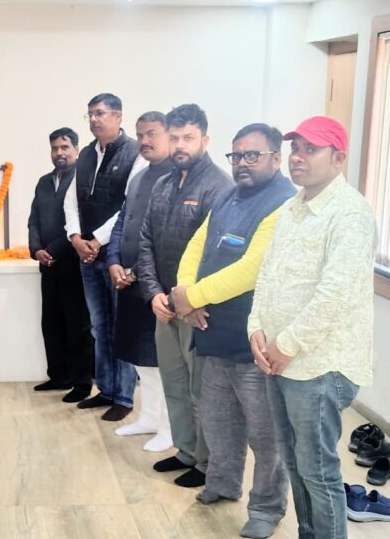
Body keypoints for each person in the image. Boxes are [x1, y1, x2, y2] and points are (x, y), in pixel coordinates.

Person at [248, 116, 377, 539]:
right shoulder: (293, 207)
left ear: (338, 159)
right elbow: (267, 275)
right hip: (279, 358)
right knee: (295, 463)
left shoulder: (351, 214)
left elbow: (334, 294)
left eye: (311, 149)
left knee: (318, 470)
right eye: (295, 148)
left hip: (318, 365)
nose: (297, 157)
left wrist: (286, 344)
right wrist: (256, 329)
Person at [172, 123, 295, 538]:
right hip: (214, 333)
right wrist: (185, 294)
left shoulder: (284, 204)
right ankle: (223, 484)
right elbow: (196, 245)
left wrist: (192, 297)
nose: (242, 163)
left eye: (252, 155)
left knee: (266, 435)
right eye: (237, 155)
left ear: (276, 158)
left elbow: (251, 269)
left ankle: (266, 509)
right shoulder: (227, 195)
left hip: (254, 343)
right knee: (217, 420)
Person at [134, 103, 233, 488]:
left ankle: (207, 464)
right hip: (164, 307)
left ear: (205, 140)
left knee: (201, 390)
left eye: (188, 137)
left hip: (197, 310)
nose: (179, 145)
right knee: (174, 383)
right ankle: (186, 451)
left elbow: (217, 254)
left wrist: (189, 299)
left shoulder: (219, 187)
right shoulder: (162, 184)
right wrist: (153, 293)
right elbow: (145, 241)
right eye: (174, 137)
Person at [63, 92, 146, 421]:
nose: (94, 120)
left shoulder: (135, 154)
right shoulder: (85, 154)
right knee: (99, 327)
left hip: (115, 254)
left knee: (120, 326)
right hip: (86, 253)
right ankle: (106, 389)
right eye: (90, 114)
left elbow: (129, 205)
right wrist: (75, 237)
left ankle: (124, 397)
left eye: (100, 113)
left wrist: (97, 240)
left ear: (118, 116)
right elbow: (71, 200)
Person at [106, 111, 174, 452]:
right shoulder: (139, 177)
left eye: (152, 134)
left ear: (168, 135)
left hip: (156, 286)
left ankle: (169, 428)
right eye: (140, 134)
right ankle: (148, 417)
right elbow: (123, 222)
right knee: (140, 357)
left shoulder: (176, 179)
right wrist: (113, 261)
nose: (144, 141)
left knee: (161, 361)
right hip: (129, 283)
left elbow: (164, 237)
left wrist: (134, 271)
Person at [28, 127, 94, 400]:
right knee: (51, 323)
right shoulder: (44, 182)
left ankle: (81, 383)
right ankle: (58, 376)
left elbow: (80, 224)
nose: (59, 153)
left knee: (77, 326)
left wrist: (53, 250)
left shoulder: (83, 180)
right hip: (48, 266)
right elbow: (33, 220)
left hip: (73, 265)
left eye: (65, 147)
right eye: (55, 148)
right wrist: (36, 250)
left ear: (76, 149)